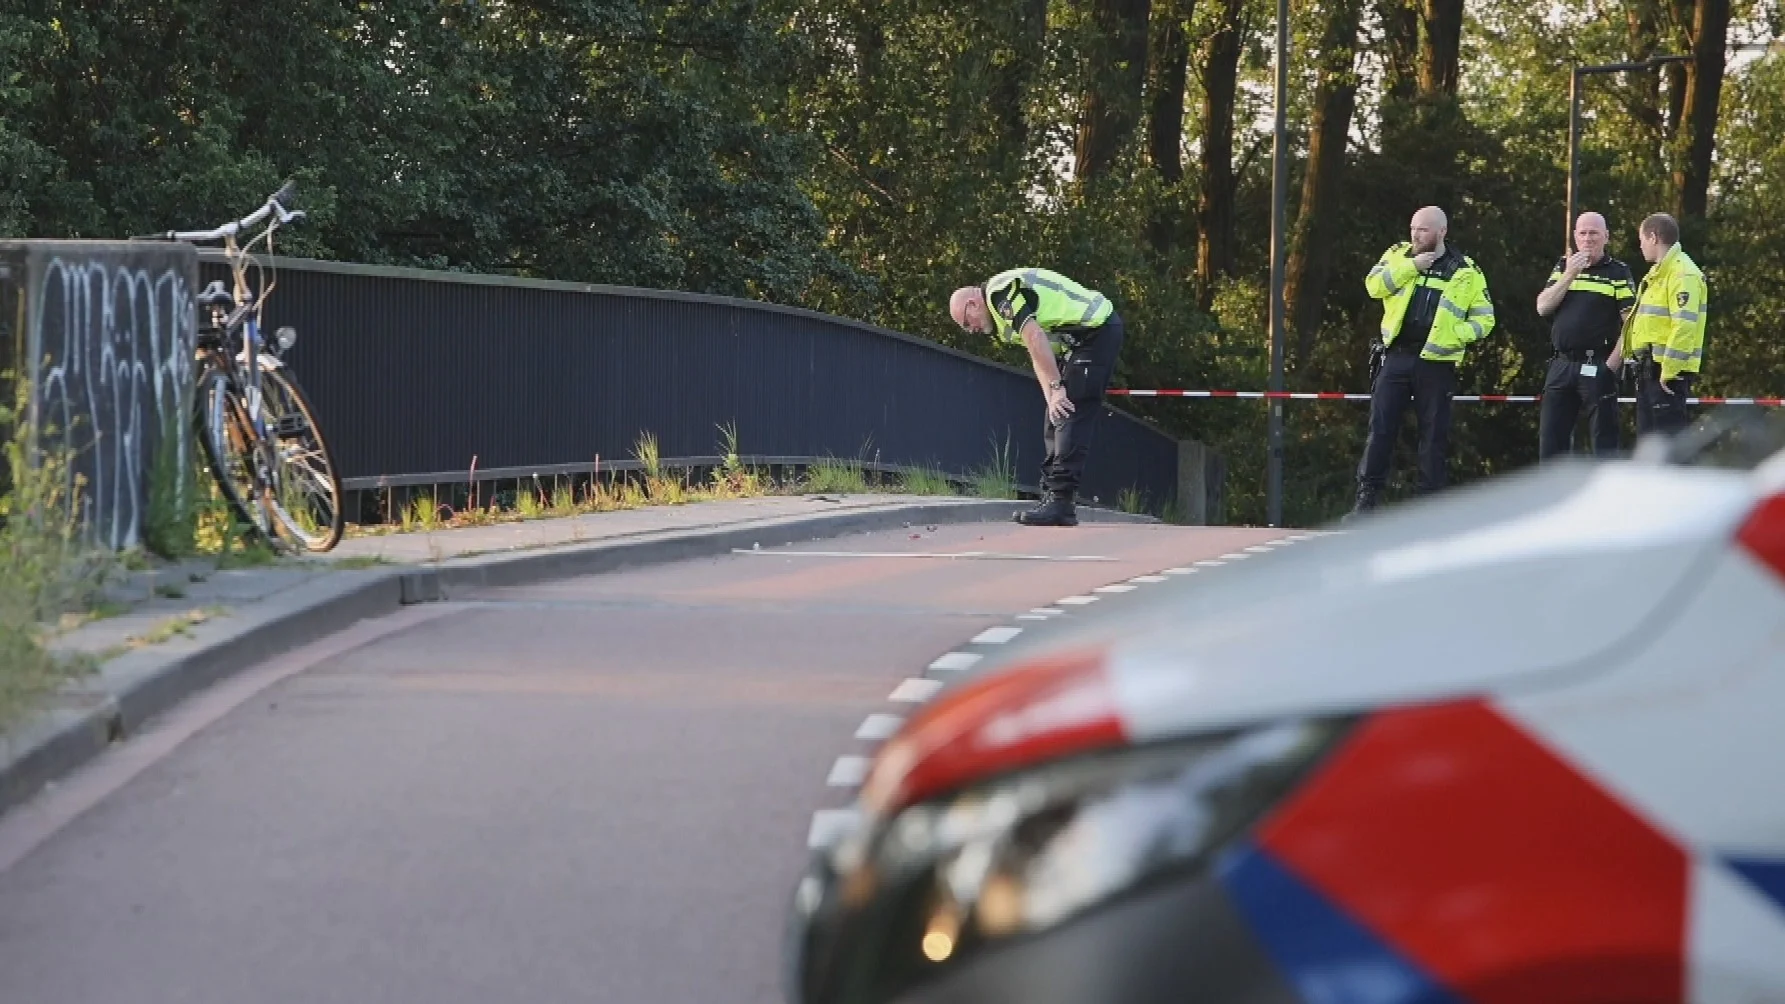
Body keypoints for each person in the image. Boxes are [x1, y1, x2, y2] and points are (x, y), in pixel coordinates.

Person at [1349, 206, 1496, 517]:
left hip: (1436, 362)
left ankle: (1427, 511)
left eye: (1423, 230)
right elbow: (1373, 287)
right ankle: (1366, 503)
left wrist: (1454, 335)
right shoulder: (1398, 255)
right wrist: (1412, 266)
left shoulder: (1465, 271)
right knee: (1381, 429)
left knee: (1434, 435)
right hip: (1397, 355)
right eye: (1413, 228)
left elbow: (1486, 320)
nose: (1415, 235)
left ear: (1442, 232)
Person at [950, 269, 1124, 527]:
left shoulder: (1000, 295)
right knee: (1055, 416)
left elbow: (1035, 336)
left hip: (1097, 331)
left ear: (973, 304)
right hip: (1079, 341)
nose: (970, 330)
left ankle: (1061, 502)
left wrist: (1057, 386)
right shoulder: (999, 320)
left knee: (1069, 414)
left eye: (967, 322)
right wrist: (1051, 395)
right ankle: (1052, 496)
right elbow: (1036, 353)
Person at [1535, 211, 1635, 460]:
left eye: (1594, 233)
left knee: (1604, 443)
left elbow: (1632, 323)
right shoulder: (1563, 266)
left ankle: (1605, 497)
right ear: (1574, 236)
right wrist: (1569, 274)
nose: (1588, 239)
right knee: (1551, 440)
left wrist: (1613, 364)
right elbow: (1542, 307)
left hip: (1597, 364)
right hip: (1561, 364)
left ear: (1606, 237)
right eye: (1582, 233)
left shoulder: (1618, 272)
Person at [1624, 213, 1707, 438]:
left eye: (1641, 239)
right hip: (1651, 372)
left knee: (1668, 450)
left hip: (1665, 375)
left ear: (1653, 237)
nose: (1640, 245)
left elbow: (1684, 326)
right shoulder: (1659, 274)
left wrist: (1668, 372)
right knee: (1651, 451)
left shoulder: (1682, 274)